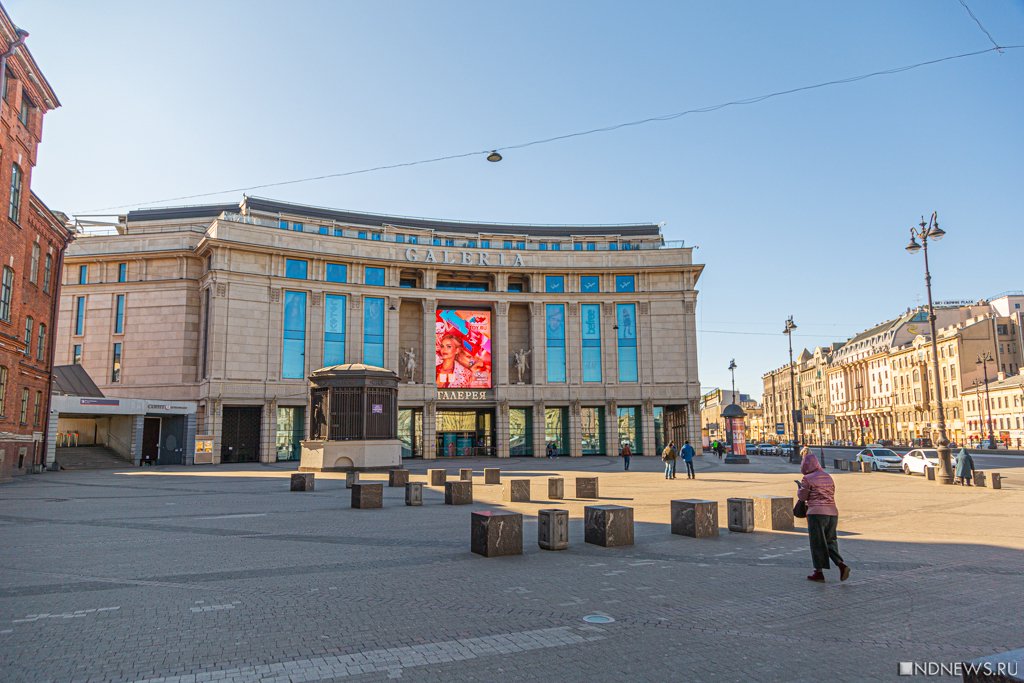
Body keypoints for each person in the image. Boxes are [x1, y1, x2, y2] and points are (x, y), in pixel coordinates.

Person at [797, 446, 850, 582]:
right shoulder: (828, 476)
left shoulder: (807, 478)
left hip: (816, 514)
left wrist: (800, 490)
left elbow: (803, 497)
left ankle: (818, 573)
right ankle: (841, 565)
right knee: (830, 541)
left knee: (817, 543)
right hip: (832, 512)